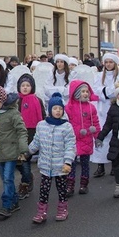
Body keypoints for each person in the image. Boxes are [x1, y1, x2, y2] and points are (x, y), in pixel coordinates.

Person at [26, 93, 76, 223]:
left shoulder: (66, 127)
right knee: (44, 189)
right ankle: (41, 212)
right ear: (50, 110)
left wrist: (68, 162)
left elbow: (70, 146)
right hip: (46, 165)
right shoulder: (42, 125)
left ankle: (62, 209)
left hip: (60, 166)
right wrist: (27, 152)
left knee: (61, 188)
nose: (58, 111)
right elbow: (36, 142)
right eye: (55, 108)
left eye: (60, 109)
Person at [0, 86, 28, 219]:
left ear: (3, 101)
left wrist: (23, 149)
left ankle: (7, 205)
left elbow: (21, 131)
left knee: (7, 178)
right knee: (5, 178)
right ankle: (15, 201)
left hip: (11, 152)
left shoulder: (13, 114)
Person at [64, 80, 100, 196]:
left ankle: (84, 184)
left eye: (87, 91)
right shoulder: (69, 107)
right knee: (71, 162)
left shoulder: (91, 108)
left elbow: (95, 122)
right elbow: (65, 123)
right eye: (83, 91)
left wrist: (97, 137)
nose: (85, 94)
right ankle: (70, 185)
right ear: (76, 93)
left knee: (85, 163)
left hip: (86, 138)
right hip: (72, 139)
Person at [91, 53, 119, 178]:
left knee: (114, 136)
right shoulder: (98, 76)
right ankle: (100, 165)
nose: (108, 64)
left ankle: (114, 164)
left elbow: (118, 90)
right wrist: (106, 92)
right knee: (101, 135)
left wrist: (104, 91)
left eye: (111, 62)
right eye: (106, 62)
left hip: (115, 108)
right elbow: (95, 90)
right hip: (101, 109)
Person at [16, 74, 43, 199]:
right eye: (23, 85)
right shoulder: (16, 100)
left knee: (25, 159)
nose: (25, 88)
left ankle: (26, 182)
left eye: (28, 85)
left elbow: (42, 116)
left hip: (33, 133)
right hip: (19, 133)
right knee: (20, 161)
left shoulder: (37, 100)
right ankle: (27, 179)